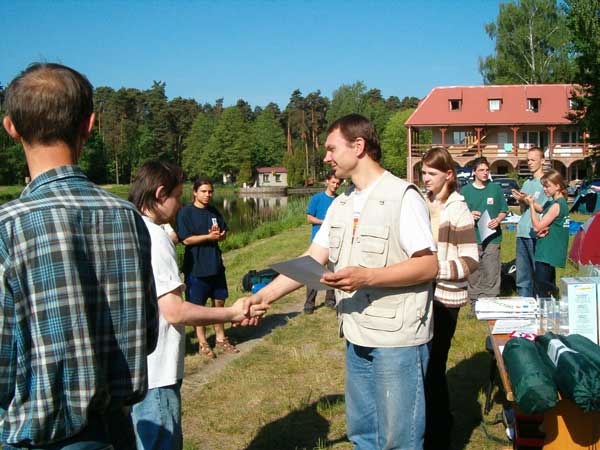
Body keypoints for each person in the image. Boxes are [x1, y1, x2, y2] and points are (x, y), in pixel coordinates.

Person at [242, 114, 438, 449]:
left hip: (397, 341)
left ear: (358, 146)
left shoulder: (403, 196)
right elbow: (311, 259)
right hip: (355, 335)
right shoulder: (342, 204)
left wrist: (368, 276)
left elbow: (428, 265)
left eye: (332, 148)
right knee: (363, 436)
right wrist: (264, 297)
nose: (326, 157)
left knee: (398, 440)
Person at [0, 63, 158, 449]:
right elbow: (148, 335)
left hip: (41, 439)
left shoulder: (7, 227)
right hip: (117, 432)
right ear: (89, 125)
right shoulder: (128, 216)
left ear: (11, 128)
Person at [128, 161, 266, 450]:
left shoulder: (127, 227)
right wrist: (232, 312)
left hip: (133, 368)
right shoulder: (156, 238)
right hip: (158, 372)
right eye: (177, 196)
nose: (179, 205)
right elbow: (175, 311)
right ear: (160, 193)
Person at [421, 147, 479, 450]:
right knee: (421, 366)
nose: (425, 178)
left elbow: (471, 260)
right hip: (420, 295)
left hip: (445, 299)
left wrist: (435, 269)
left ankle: (440, 433)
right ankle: (427, 429)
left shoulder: (458, 210)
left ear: (449, 175)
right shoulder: (422, 203)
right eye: (423, 172)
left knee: (433, 369)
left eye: (432, 173)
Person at [176, 178, 237, 358]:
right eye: (203, 191)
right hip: (196, 268)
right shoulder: (185, 213)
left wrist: (221, 236)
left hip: (215, 265)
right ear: (195, 192)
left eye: (210, 191)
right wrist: (208, 237)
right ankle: (202, 343)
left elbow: (223, 232)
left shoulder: (213, 211)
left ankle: (220, 338)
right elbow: (186, 239)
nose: (207, 195)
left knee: (219, 302)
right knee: (197, 307)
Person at [461, 157, 508, 306]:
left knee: (491, 269)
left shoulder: (495, 189)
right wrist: (469, 215)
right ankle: (475, 302)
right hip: (472, 236)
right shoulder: (465, 191)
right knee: (474, 272)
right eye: (481, 170)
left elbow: (504, 210)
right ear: (474, 172)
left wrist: (498, 220)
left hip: (492, 237)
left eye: (487, 170)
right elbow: (459, 213)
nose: (485, 173)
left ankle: (491, 302)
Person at [525, 169, 570, 298]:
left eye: (547, 186)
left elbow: (536, 227)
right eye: (543, 186)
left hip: (547, 251)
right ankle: (553, 297)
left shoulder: (556, 206)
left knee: (541, 287)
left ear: (557, 186)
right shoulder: (557, 203)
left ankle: (549, 299)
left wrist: (531, 206)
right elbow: (543, 211)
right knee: (547, 284)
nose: (545, 189)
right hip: (550, 250)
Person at [511, 147, 548, 297]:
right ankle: (524, 303)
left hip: (536, 233)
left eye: (533, 160)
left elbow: (543, 208)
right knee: (522, 275)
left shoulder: (546, 183)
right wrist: (520, 200)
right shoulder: (527, 183)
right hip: (522, 232)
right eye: (528, 160)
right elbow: (522, 210)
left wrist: (527, 200)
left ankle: (541, 302)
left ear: (542, 161)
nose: (530, 163)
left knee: (538, 273)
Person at [303, 170, 341, 314]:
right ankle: (309, 304)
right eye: (333, 182)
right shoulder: (317, 198)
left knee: (331, 272)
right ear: (327, 181)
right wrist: (324, 222)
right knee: (314, 273)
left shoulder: (339, 200)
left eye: (338, 183)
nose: (335, 185)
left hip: (334, 242)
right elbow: (309, 218)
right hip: (319, 242)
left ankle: (330, 300)